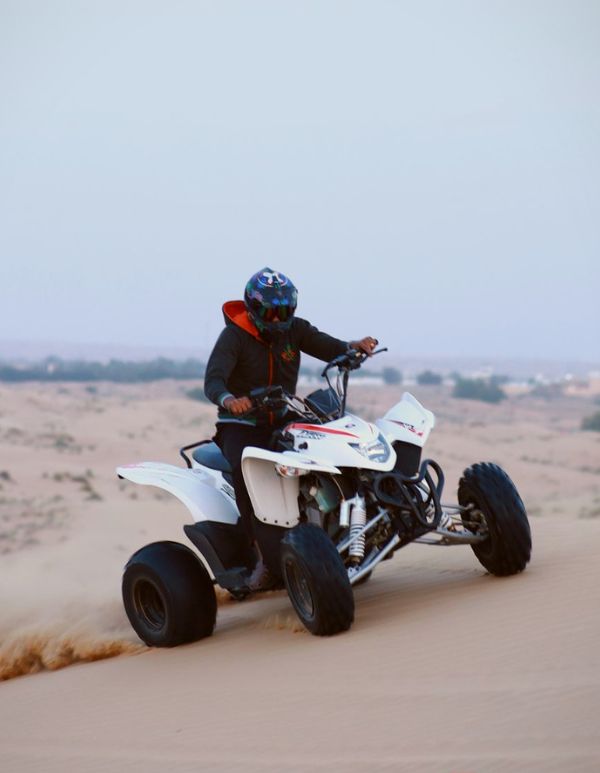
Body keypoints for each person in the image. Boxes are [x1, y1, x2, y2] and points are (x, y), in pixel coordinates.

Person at [204, 267, 377, 590]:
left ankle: (348, 527)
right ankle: (262, 560)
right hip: (241, 425)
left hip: (283, 417)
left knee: (329, 447)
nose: (277, 318)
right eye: (270, 311)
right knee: (248, 474)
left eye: (284, 311)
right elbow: (213, 380)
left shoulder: (295, 329)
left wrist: (353, 348)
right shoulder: (234, 336)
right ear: (253, 308)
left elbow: (327, 346)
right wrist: (229, 400)